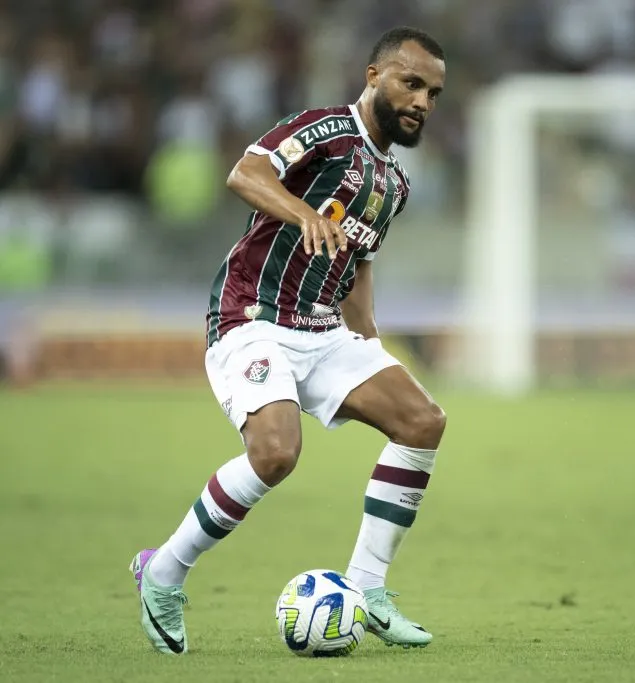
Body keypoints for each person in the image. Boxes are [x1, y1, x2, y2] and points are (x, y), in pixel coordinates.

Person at [130, 26, 447, 654]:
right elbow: (244, 174)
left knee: (422, 421)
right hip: (251, 316)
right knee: (275, 454)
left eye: (434, 93)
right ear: (374, 75)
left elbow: (357, 264)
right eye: (411, 83)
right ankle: (162, 573)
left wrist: (372, 346)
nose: (421, 102)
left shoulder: (395, 184)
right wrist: (302, 213)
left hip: (322, 329)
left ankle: (368, 589)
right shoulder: (324, 130)